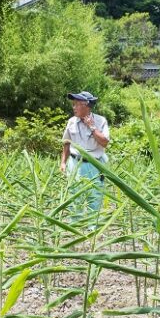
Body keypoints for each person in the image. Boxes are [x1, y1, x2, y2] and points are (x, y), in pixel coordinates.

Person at [60, 91, 110, 224]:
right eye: (73, 104)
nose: (74, 107)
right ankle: (75, 225)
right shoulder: (71, 122)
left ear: (86, 106)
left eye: (76, 104)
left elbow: (104, 142)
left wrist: (92, 127)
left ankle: (93, 227)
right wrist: (63, 163)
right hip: (74, 163)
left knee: (94, 195)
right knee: (74, 194)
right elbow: (66, 143)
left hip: (94, 164)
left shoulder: (100, 121)